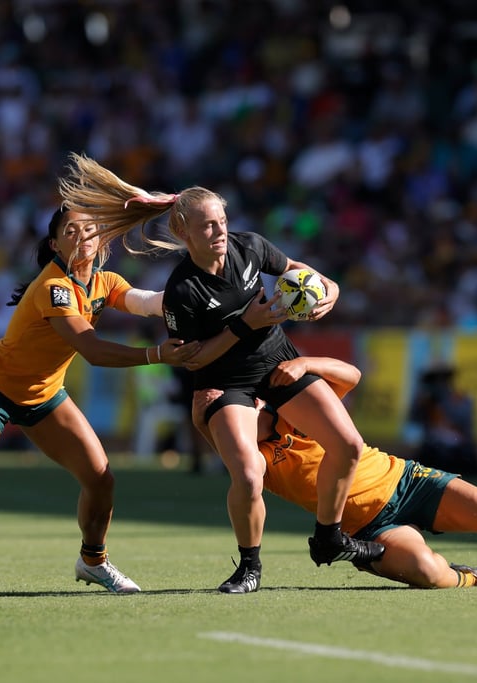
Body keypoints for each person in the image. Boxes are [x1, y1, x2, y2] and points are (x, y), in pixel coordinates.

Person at [58, 153, 384, 594]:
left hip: (277, 362)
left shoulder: (249, 246)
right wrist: (244, 324)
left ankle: (328, 537)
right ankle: (249, 568)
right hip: (222, 382)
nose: (219, 231)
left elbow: (297, 271)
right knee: (249, 475)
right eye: (208, 225)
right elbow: (194, 359)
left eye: (222, 221)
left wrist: (332, 289)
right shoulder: (182, 290)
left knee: (347, 445)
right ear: (183, 231)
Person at [0, 205, 199, 597]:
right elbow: (91, 349)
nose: (83, 238)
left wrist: (197, 291)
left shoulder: (104, 281)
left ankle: (93, 561)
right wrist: (157, 354)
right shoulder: (53, 287)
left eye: (91, 231)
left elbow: (148, 302)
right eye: (72, 231)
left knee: (101, 479)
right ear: (55, 243)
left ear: (101, 241)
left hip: (43, 396)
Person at [229, 355, 477, 588]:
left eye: (253, 405)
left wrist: (305, 364)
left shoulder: (296, 412)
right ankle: (474, 578)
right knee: (427, 572)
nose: (250, 411)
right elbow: (246, 482)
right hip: (368, 529)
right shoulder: (253, 458)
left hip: (407, 482)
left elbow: (351, 376)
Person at [405, 362, 477, 476]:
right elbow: (414, 420)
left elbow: (465, 427)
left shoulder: (460, 399)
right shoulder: (425, 401)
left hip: (458, 445)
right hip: (432, 447)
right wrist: (424, 406)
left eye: (442, 378)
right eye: (434, 379)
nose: (439, 383)